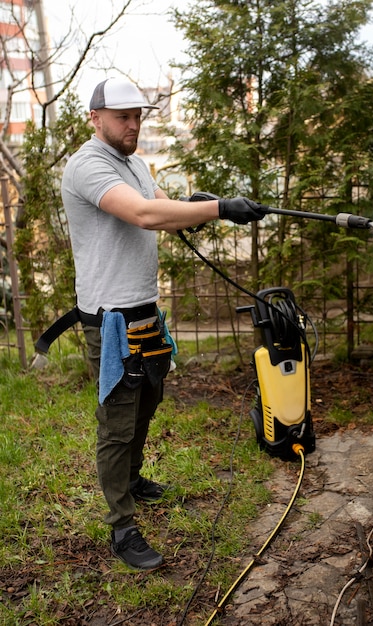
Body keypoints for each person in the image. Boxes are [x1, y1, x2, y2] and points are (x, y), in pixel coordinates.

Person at [61, 77, 265, 570]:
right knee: (117, 422)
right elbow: (145, 214)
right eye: (122, 117)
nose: (133, 125)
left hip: (145, 309)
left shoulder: (134, 163)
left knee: (147, 402)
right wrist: (219, 208)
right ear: (96, 118)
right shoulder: (87, 166)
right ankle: (121, 526)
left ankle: (132, 480)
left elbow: (166, 211)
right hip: (109, 319)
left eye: (138, 116)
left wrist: (201, 209)